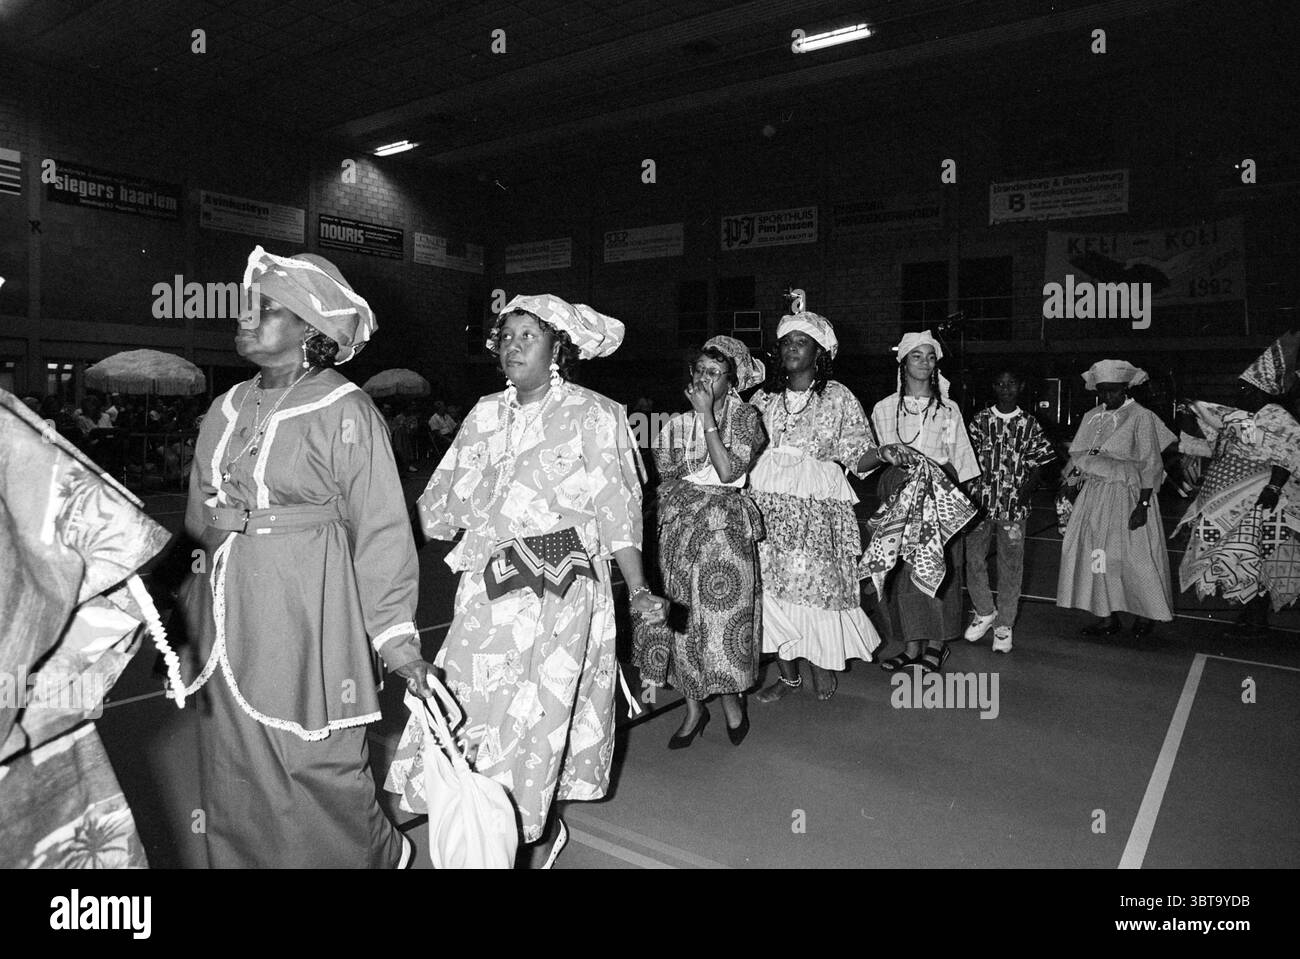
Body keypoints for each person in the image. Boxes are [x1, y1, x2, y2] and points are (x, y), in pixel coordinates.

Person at [173, 245, 436, 868]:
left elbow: (382, 531)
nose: (244, 315)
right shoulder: (224, 407)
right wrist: (174, 611)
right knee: (234, 766)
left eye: (265, 307)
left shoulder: (345, 409)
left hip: (310, 616)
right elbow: (196, 520)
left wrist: (398, 644)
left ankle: (370, 855)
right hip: (228, 613)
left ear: (311, 332)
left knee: (315, 762)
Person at [414, 293, 667, 863]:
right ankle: (483, 825)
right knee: (472, 705)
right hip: (490, 583)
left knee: (538, 717)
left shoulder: (595, 413)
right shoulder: (482, 413)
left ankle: (533, 829)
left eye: (529, 335)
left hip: (561, 584)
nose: (513, 346)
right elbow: (440, 502)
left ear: (560, 346)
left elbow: (618, 509)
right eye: (506, 336)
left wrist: (641, 587)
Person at [749, 293, 916, 702]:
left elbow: (857, 454)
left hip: (817, 512)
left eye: (801, 342)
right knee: (771, 592)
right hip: (766, 508)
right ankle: (788, 675)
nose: (791, 348)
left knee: (817, 588)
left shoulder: (838, 396)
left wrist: (884, 453)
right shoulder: (762, 398)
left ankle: (821, 663)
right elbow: (742, 450)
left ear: (819, 352)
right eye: (787, 342)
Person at [632, 335, 767, 747]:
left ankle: (730, 699)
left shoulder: (746, 420)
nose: (704, 379)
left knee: (725, 616)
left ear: (733, 380)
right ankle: (693, 709)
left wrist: (708, 417)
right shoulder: (673, 425)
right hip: (680, 531)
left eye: (715, 373)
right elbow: (668, 476)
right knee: (682, 619)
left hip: (725, 529)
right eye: (699, 371)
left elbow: (728, 474)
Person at [870, 330, 980, 672]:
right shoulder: (885, 408)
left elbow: (959, 460)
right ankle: (911, 646)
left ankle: (936, 644)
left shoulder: (947, 410)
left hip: (938, 494)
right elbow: (876, 455)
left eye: (930, 357)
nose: (925, 363)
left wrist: (933, 477)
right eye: (916, 356)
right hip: (898, 493)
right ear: (903, 363)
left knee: (939, 569)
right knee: (902, 571)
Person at [1176, 337, 1300, 637]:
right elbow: (1218, 441)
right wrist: (1191, 415)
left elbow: (1290, 451)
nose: (1240, 392)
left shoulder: (1275, 415)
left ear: (1262, 391)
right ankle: (1250, 614)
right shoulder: (1243, 417)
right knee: (1237, 553)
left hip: (1260, 498)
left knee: (1248, 553)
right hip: (1232, 498)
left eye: (1246, 388)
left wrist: (1272, 488)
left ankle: (1256, 619)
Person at [1056, 359, 1177, 637]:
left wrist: (1143, 505)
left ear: (1126, 387)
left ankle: (1146, 614)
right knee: (1097, 556)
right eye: (1103, 391)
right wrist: (1068, 486)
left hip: (1129, 494)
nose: (1108, 396)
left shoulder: (1140, 416)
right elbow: (1080, 460)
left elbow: (1150, 463)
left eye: (1113, 390)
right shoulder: (1091, 417)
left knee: (1135, 557)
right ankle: (1106, 615)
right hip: (1095, 496)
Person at [963, 368, 1056, 653]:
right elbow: (966, 458)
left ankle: (1004, 625)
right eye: (1000, 384)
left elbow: (1042, 461)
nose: (1006, 388)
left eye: (1011, 383)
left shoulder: (1029, 423)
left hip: (1015, 508)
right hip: (980, 505)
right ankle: (984, 610)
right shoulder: (979, 421)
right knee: (974, 559)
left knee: (1011, 567)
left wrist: (1026, 490)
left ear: (1021, 386)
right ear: (994, 387)